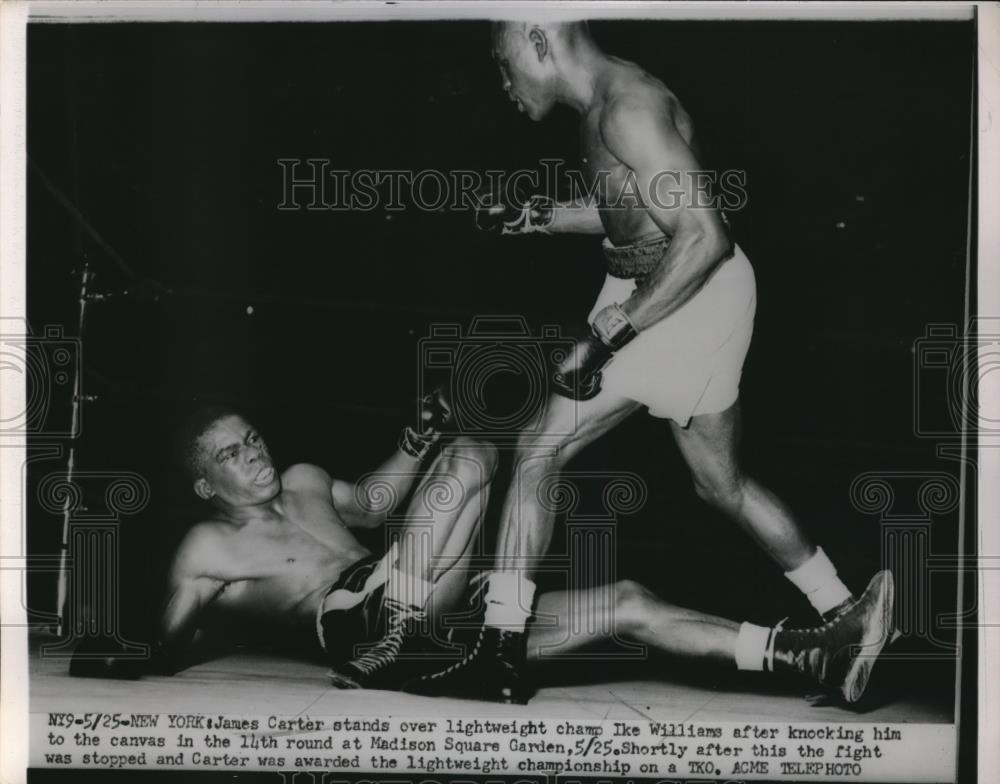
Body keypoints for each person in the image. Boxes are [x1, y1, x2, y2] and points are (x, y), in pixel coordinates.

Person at [405, 20, 894, 704]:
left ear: (539, 40)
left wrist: (606, 337)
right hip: (662, 289)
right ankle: (845, 615)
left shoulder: (628, 105)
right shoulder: (604, 104)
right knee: (719, 483)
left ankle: (498, 650)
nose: (503, 81)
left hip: (680, 295)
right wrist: (534, 215)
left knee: (541, 444)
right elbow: (628, 211)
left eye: (502, 59)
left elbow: (704, 236)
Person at [69, 404, 894, 708]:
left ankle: (807, 653)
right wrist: (120, 657)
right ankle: (397, 627)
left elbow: (380, 502)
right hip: (356, 625)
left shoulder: (306, 478)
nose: (250, 454)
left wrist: (407, 443)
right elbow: (172, 635)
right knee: (472, 458)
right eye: (228, 453)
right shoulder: (207, 542)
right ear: (204, 482)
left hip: (429, 611)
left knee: (629, 596)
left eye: (249, 437)